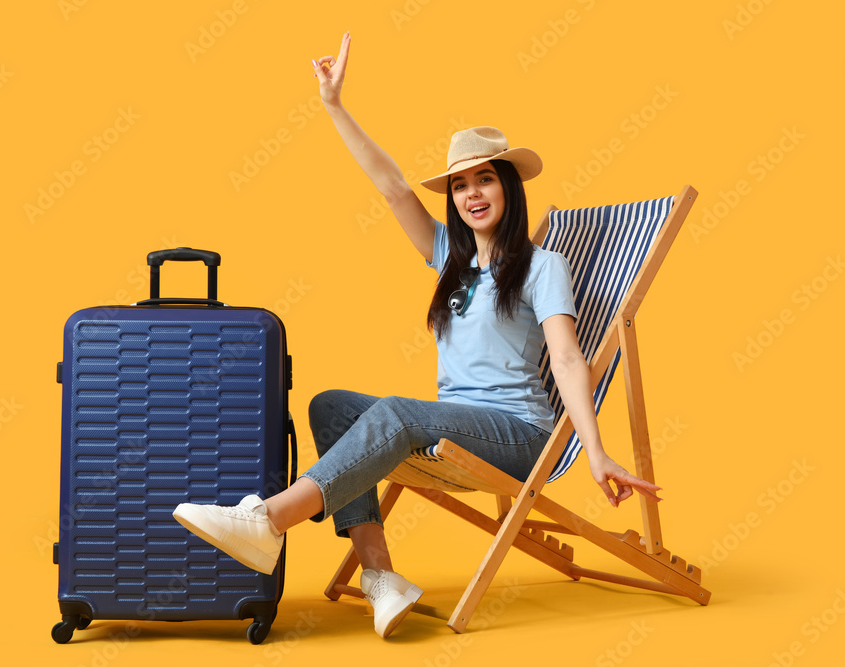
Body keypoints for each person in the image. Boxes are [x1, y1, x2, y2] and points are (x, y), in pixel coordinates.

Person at [173, 31, 661, 639]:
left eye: (484, 180)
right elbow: (394, 188)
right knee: (331, 407)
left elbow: (566, 357)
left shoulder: (541, 267)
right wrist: (334, 106)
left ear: (508, 186)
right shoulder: (450, 260)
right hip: (453, 421)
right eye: (460, 186)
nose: (471, 194)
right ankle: (381, 578)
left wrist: (593, 451)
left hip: (519, 436)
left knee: (399, 416)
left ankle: (268, 521)